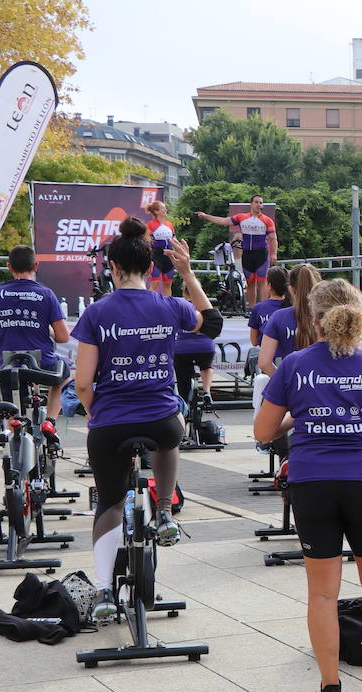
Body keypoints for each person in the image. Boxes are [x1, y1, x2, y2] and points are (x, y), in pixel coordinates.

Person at [254, 279, 362, 692]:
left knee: (323, 593)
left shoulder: (293, 365)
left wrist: (302, 416)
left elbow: (261, 432)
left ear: (313, 320)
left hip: (313, 484)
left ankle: (330, 688)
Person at [71, 219, 218, 618]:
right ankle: (167, 511)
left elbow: (83, 382)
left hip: (110, 423)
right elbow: (212, 322)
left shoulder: (97, 314)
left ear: (112, 268)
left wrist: (94, 412)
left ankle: (103, 592)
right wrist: (187, 272)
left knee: (111, 503)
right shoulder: (170, 306)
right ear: (152, 268)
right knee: (173, 432)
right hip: (160, 418)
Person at [0, 245, 70, 422]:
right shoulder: (46, 294)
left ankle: (15, 430)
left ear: (9, 267)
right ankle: (50, 421)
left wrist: (1, 349)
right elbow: (63, 337)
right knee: (64, 374)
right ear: (35, 266)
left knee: (14, 412)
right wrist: (48, 330)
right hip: (42, 365)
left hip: (9, 365)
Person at [194, 195, 277, 308]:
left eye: (261, 203)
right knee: (250, 283)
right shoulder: (242, 217)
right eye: (257, 202)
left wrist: (274, 254)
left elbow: (273, 238)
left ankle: (262, 308)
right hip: (247, 254)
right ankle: (252, 309)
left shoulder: (267, 220)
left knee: (262, 282)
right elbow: (223, 221)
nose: (259, 205)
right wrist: (206, 216)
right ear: (251, 204)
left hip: (261, 253)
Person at [259, 263, 321, 375]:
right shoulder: (329, 316)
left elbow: (264, 363)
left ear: (291, 289)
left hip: (293, 381)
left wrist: (283, 383)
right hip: (324, 385)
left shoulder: (279, 317)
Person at [247, 265, 291, 347]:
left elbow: (254, 341)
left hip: (267, 355)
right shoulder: (292, 306)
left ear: (269, 285)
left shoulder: (259, 308)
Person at [173, 327, 216, 406]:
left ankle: (184, 403)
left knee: (183, 380)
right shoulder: (209, 314)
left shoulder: (180, 314)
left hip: (183, 347)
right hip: (205, 346)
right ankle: (206, 391)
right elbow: (217, 332)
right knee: (206, 366)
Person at [143, 201, 176, 295]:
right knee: (155, 282)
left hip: (169, 256)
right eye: (163, 208)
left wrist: (178, 250)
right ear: (156, 211)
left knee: (168, 283)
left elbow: (174, 239)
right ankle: (148, 304)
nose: (165, 210)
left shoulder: (169, 224)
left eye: (165, 208)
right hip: (156, 256)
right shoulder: (150, 225)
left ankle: (167, 306)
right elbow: (146, 241)